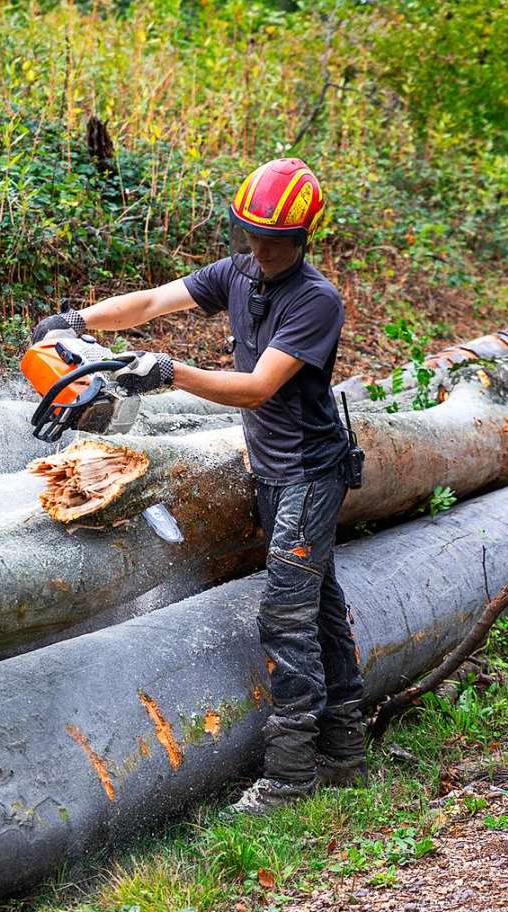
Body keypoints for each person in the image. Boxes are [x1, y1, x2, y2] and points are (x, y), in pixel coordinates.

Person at [32, 157, 366, 815]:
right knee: (319, 602)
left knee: (286, 612)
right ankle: (347, 752)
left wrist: (172, 372)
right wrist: (78, 320)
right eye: (251, 233)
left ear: (303, 237)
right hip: (270, 468)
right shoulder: (238, 272)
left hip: (310, 472)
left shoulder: (315, 300)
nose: (261, 247)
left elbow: (257, 387)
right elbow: (156, 301)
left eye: (275, 238)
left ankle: (293, 776)